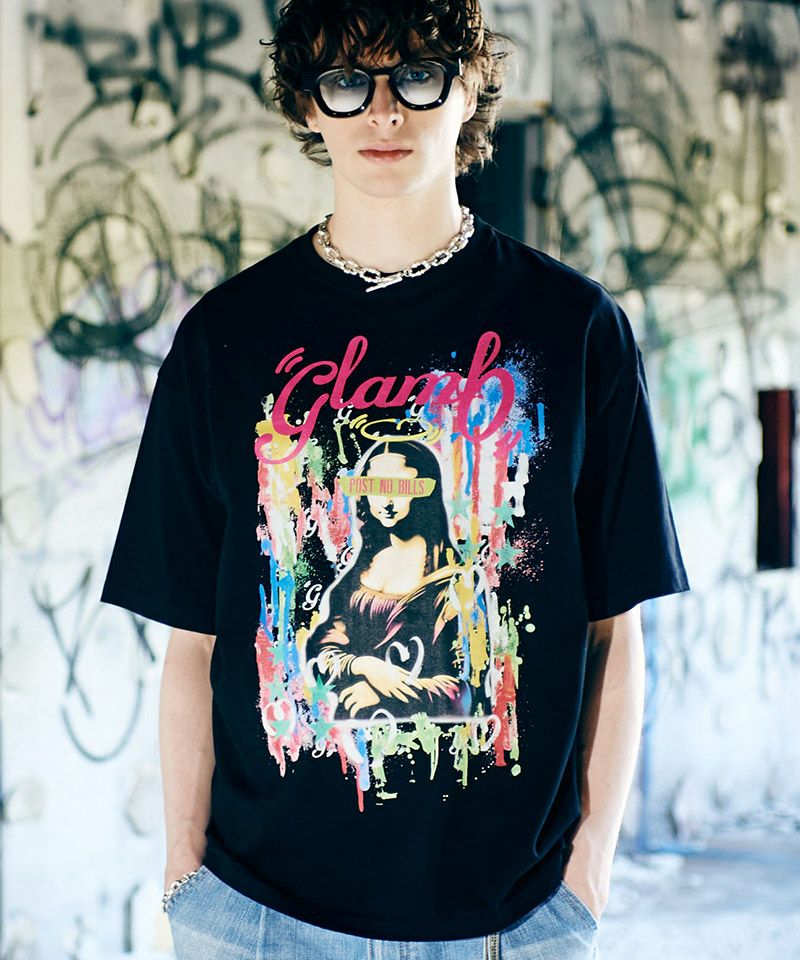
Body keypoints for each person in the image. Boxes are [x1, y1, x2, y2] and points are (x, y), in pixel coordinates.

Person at [101, 1, 691, 958]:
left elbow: (613, 633)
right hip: (258, 916)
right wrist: (184, 877)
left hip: (507, 922)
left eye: (416, 75)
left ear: (467, 90)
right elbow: (194, 644)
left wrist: (586, 879)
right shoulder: (225, 338)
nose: (383, 111)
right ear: (309, 104)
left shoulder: (576, 329)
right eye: (347, 81)